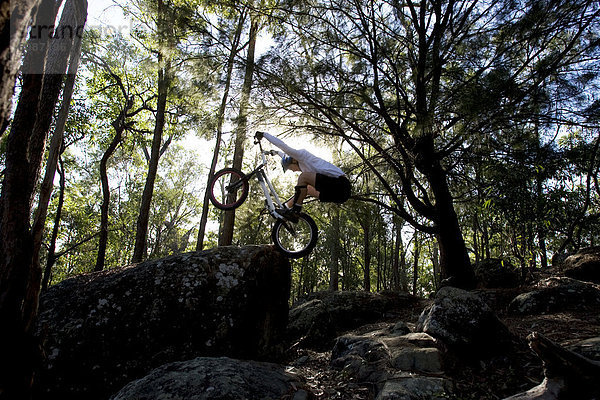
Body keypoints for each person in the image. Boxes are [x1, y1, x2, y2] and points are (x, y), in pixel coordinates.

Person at [255, 131, 351, 221]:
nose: (292, 171)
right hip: (339, 195)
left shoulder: (301, 156)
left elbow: (284, 147)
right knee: (306, 189)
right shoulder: (302, 165)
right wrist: (275, 153)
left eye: (290, 168)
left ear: (293, 161)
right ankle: (285, 208)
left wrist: (264, 134)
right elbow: (284, 156)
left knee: (303, 177)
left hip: (341, 184)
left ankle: (295, 211)